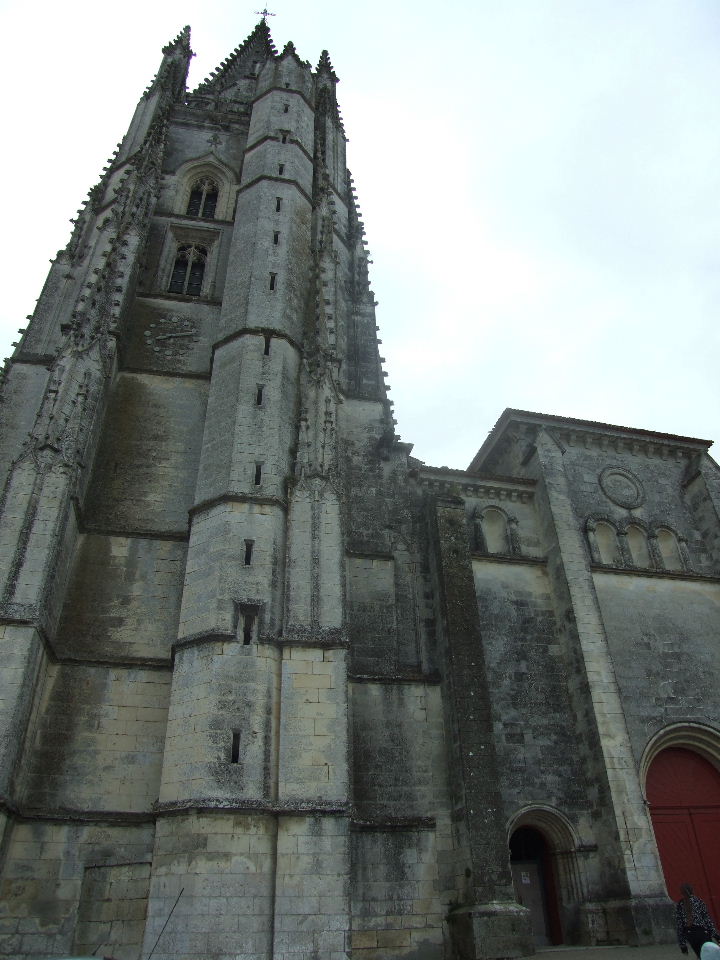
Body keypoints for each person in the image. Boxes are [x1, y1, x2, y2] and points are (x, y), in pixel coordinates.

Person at [676, 883, 719, 958]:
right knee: (709, 956)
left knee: (700, 956)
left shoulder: (680, 904)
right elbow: (707, 919)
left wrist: (682, 944)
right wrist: (716, 935)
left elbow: (680, 925)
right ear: (692, 890)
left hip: (690, 934)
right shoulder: (699, 901)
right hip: (702, 932)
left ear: (681, 893)